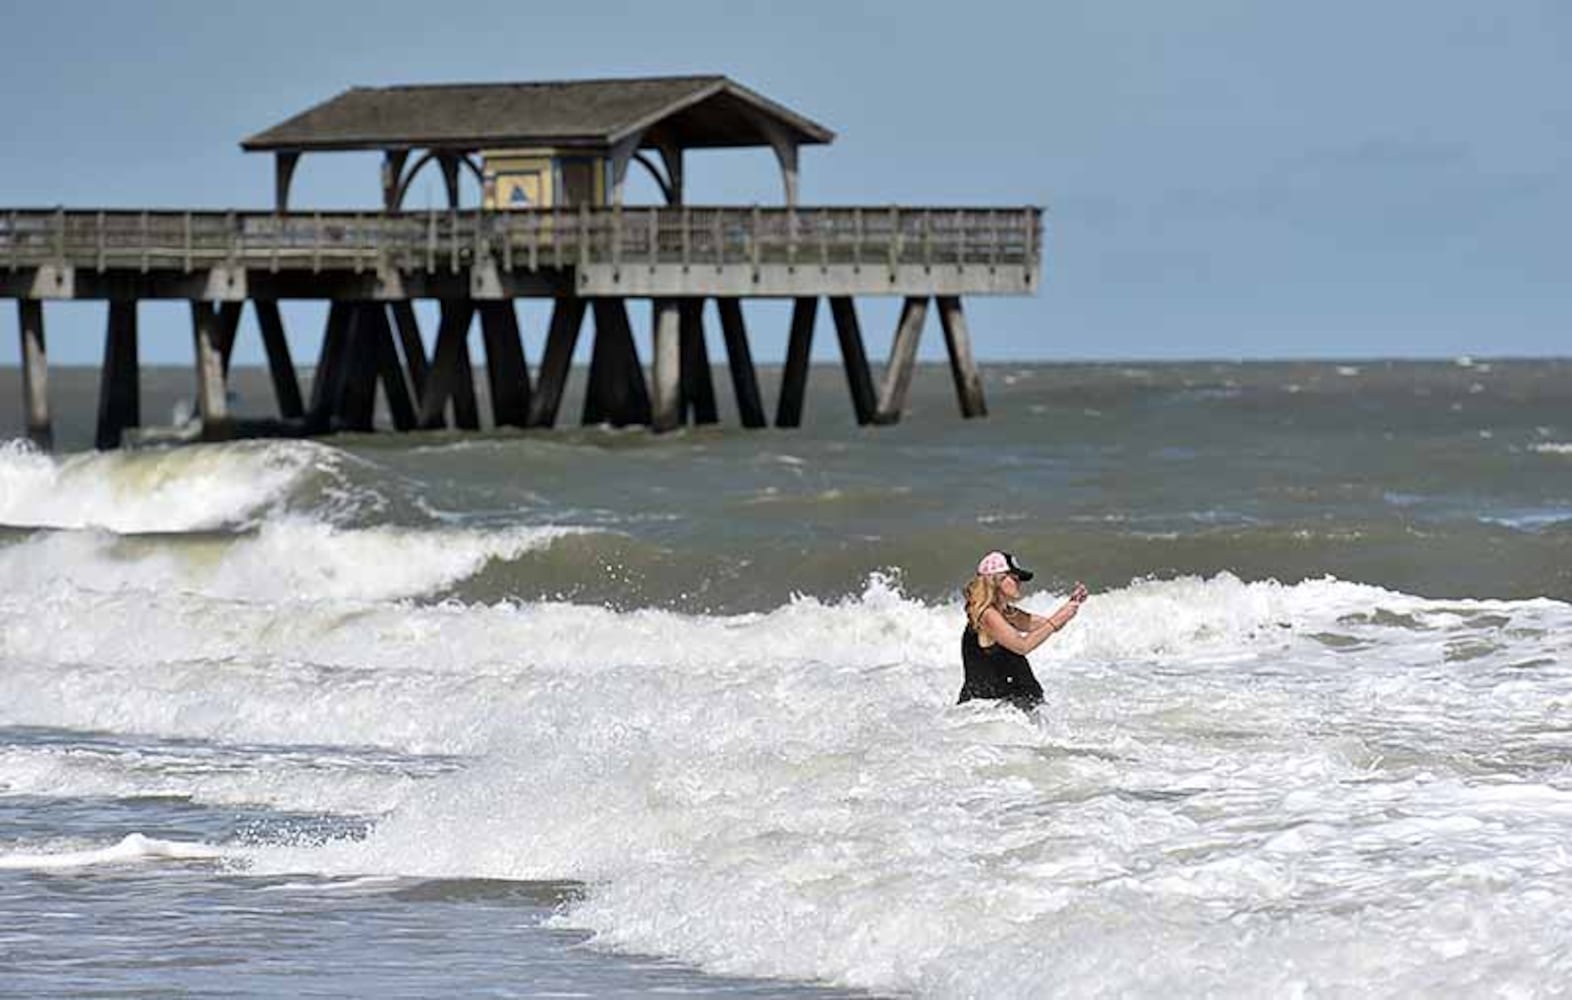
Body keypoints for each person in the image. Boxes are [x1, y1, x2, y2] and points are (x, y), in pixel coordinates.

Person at [958, 551, 1088, 711]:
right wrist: (1056, 620)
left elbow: (1045, 626)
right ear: (996, 580)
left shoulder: (1006, 612)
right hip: (989, 713)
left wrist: (1070, 606)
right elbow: (1022, 646)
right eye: (1015, 578)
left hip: (1011, 711)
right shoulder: (987, 615)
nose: (1020, 583)